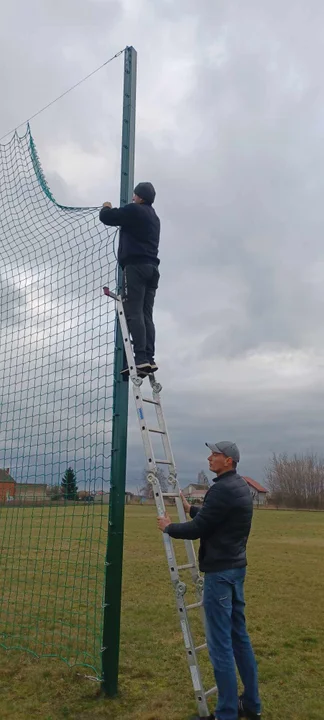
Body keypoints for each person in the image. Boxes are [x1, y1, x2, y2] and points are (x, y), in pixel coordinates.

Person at [157, 441, 261, 720]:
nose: (209, 458)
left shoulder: (221, 489)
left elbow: (198, 530)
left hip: (220, 574)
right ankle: (251, 705)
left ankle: (226, 713)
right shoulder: (238, 487)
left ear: (228, 460)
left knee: (220, 645)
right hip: (236, 569)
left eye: (215, 455)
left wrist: (169, 527)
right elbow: (215, 518)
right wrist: (191, 507)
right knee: (239, 638)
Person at [99, 181, 160, 377]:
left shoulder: (135, 210)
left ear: (140, 197)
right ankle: (148, 358)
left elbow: (108, 218)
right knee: (146, 314)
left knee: (132, 312)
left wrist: (106, 207)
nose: (132, 197)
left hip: (135, 267)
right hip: (152, 268)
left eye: (135, 195)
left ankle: (140, 359)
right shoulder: (154, 217)